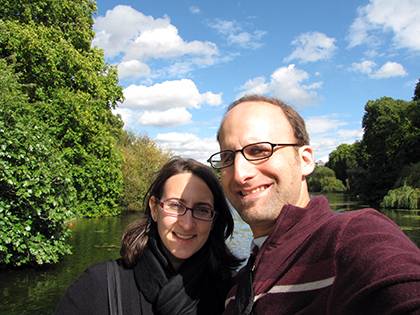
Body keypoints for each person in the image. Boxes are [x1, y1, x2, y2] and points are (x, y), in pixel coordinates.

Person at [207, 94, 420, 315]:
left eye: (259, 150)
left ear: (305, 160)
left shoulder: (351, 237)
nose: (240, 174)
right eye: (227, 158)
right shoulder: (235, 290)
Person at [55, 157, 242, 315]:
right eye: (176, 205)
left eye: (202, 209)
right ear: (154, 208)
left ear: (214, 219)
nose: (187, 223)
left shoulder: (234, 294)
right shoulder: (97, 286)